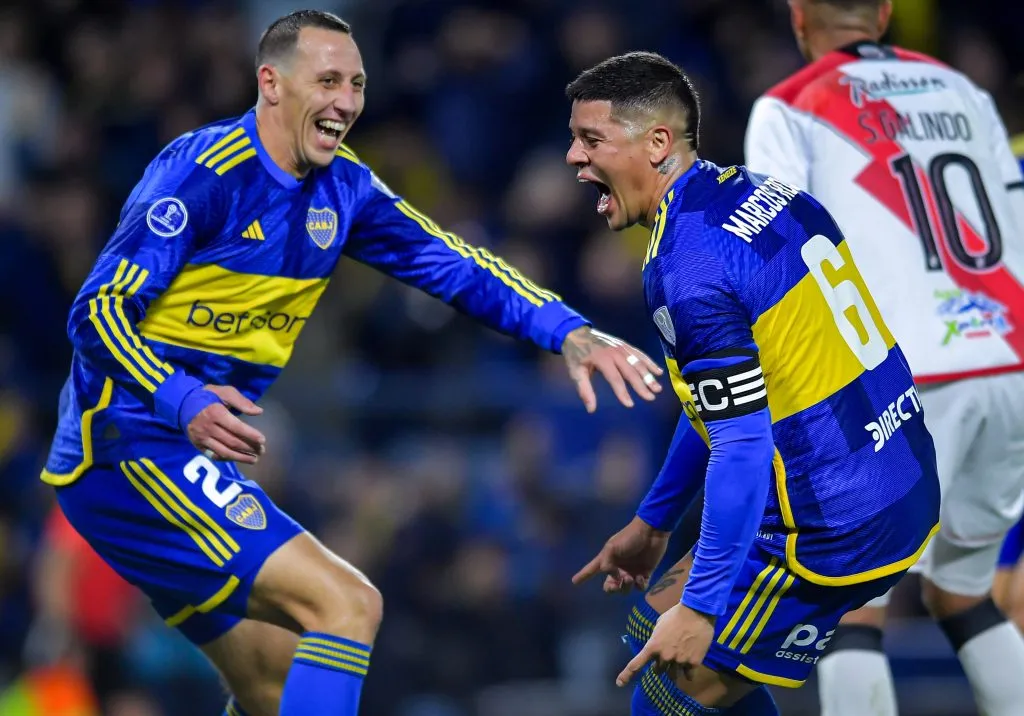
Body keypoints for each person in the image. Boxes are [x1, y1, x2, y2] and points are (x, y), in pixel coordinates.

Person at [41, 11, 667, 716]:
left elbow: (452, 263)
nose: (345, 101)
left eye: (358, 84)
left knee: (276, 688)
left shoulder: (345, 190)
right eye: (328, 80)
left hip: (187, 454)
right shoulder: (202, 172)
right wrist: (182, 398)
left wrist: (567, 330)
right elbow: (96, 312)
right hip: (128, 442)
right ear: (271, 84)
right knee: (347, 604)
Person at [565, 50, 940, 716]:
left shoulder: (686, 268)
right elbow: (722, 404)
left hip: (833, 520)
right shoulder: (766, 193)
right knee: (649, 630)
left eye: (591, 139)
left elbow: (741, 445)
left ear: (657, 143)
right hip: (896, 469)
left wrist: (703, 606)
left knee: (664, 692)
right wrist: (654, 521)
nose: (574, 157)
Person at [743, 2, 1024, 714]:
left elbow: (779, 255)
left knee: (850, 606)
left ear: (797, 16)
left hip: (902, 377)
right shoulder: (963, 90)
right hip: (1009, 360)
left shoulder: (788, 108)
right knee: (963, 593)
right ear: (887, 12)